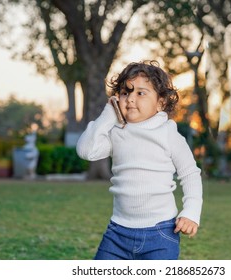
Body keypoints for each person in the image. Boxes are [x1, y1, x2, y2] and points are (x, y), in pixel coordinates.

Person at [76, 60, 203, 260]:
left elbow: (190, 174)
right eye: (126, 93)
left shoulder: (168, 134)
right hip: (117, 233)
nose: (130, 99)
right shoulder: (117, 132)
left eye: (141, 93)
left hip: (161, 233)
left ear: (161, 102)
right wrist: (109, 115)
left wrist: (191, 212)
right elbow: (86, 151)